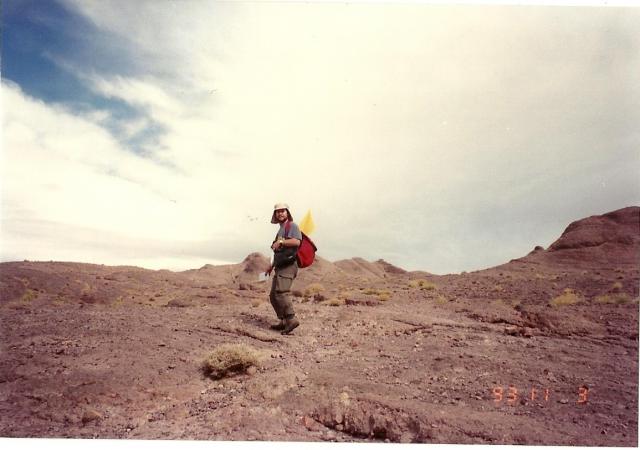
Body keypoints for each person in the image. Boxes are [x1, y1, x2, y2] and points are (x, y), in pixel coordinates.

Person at [265, 203, 301, 335]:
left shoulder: (292, 226)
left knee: (281, 292)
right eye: (277, 212)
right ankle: (284, 321)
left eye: (282, 211)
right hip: (280, 265)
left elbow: (297, 241)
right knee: (273, 295)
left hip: (289, 265)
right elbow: (277, 251)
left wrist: (280, 242)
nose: (280, 213)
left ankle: (291, 319)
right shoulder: (280, 230)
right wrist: (271, 266)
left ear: (287, 213)